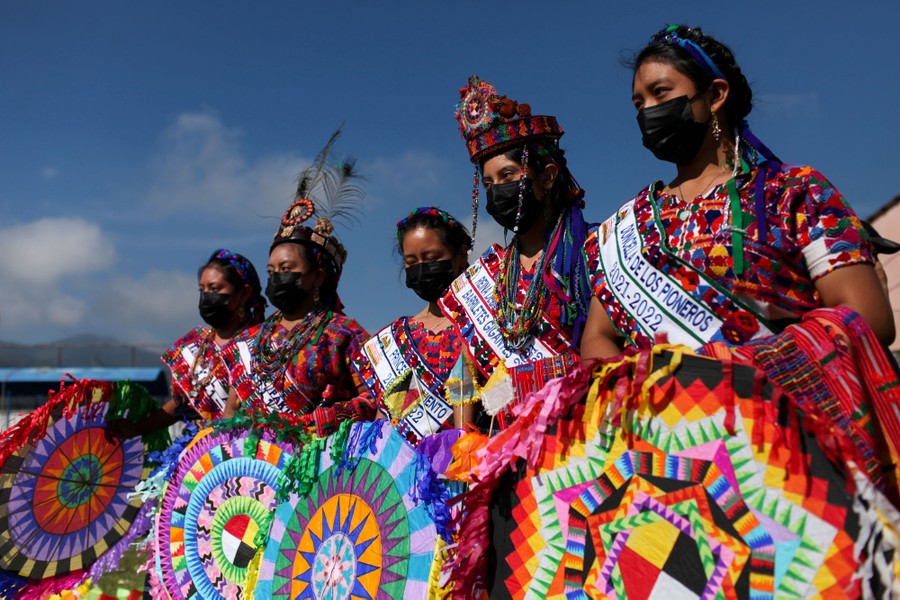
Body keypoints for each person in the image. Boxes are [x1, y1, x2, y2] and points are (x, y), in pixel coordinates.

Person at [581, 25, 895, 359]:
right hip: (653, 407)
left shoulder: (793, 191)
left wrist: (729, 370)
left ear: (715, 95)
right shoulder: (627, 226)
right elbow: (599, 337)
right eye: (639, 103)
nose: (648, 112)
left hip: (780, 403)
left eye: (661, 93)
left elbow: (868, 319)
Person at [440, 76, 595, 429]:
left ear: (548, 176)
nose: (497, 192)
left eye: (508, 175)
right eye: (489, 183)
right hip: (502, 446)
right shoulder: (488, 275)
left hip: (578, 435)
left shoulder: (591, 251)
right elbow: (465, 371)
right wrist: (465, 437)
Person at [221, 134, 372, 436]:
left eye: (288, 269)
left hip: (319, 469)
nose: (278, 277)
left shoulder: (344, 335)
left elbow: (373, 399)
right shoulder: (249, 341)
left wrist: (322, 420)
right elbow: (232, 412)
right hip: (253, 469)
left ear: (317, 276)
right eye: (272, 270)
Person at [106, 248, 265, 439]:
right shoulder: (195, 347)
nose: (206, 297)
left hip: (245, 449)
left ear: (244, 294)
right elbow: (181, 403)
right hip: (197, 452)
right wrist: (137, 428)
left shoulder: (259, 344)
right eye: (202, 289)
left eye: (215, 289)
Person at [352, 207, 473, 446]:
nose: (422, 268)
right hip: (407, 472)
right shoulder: (396, 337)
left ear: (460, 256)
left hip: (470, 463)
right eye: (412, 262)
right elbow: (390, 414)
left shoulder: (478, 323)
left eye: (431, 259)